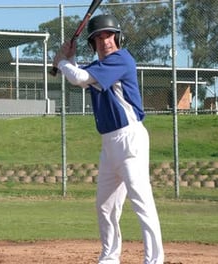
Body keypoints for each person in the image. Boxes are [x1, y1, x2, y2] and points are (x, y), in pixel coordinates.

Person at [53, 14, 164, 264]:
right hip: (109, 143)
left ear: (118, 37)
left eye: (109, 35)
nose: (105, 41)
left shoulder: (121, 59)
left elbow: (78, 78)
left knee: (141, 201)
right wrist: (68, 58)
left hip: (130, 139)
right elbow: (81, 76)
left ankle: (154, 260)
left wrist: (61, 62)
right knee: (105, 206)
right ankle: (109, 257)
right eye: (99, 38)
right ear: (92, 44)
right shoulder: (97, 68)